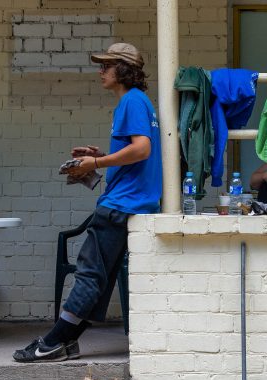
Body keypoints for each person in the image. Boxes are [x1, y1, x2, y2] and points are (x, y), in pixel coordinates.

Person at [14, 42, 161, 363]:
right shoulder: (139, 102)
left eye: (106, 66)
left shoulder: (131, 101)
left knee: (89, 274)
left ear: (123, 70)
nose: (101, 71)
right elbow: (135, 154)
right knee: (101, 278)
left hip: (121, 204)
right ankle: (65, 342)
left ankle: (52, 342)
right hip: (133, 203)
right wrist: (101, 156)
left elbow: (142, 150)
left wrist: (95, 165)